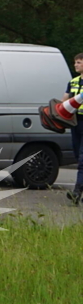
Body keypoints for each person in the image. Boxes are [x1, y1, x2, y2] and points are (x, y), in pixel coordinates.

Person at [66, 53, 83, 204]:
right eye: (75, 62)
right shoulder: (73, 82)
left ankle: (77, 192)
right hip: (75, 122)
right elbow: (65, 100)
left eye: (78, 62)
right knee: (78, 156)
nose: (75, 65)